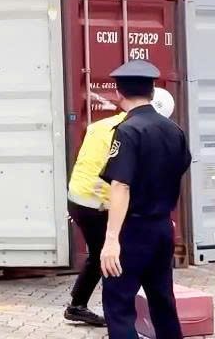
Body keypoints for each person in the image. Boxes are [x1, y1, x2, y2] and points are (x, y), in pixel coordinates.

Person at [64, 87, 176, 327]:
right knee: (111, 255)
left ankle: (78, 304)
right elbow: (123, 184)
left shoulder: (106, 124)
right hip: (98, 202)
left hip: (78, 197)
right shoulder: (133, 131)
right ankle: (107, 309)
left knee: (98, 253)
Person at [98, 60, 191, 339]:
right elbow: (179, 170)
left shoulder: (127, 131)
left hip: (133, 231)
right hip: (162, 228)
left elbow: (121, 186)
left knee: (119, 304)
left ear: (118, 93)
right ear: (153, 92)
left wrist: (111, 240)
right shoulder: (174, 130)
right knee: (163, 300)